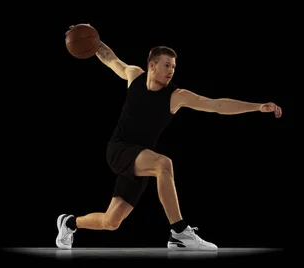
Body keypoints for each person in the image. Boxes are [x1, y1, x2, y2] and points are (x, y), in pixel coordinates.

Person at [56, 24, 283, 251]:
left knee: (111, 221)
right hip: (119, 149)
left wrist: (257, 107)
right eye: (166, 65)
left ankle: (69, 222)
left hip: (140, 158)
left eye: (174, 66)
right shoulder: (134, 75)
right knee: (164, 164)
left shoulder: (176, 96)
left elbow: (217, 105)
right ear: (152, 65)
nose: (171, 70)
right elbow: (109, 58)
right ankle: (179, 232)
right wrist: (90, 36)